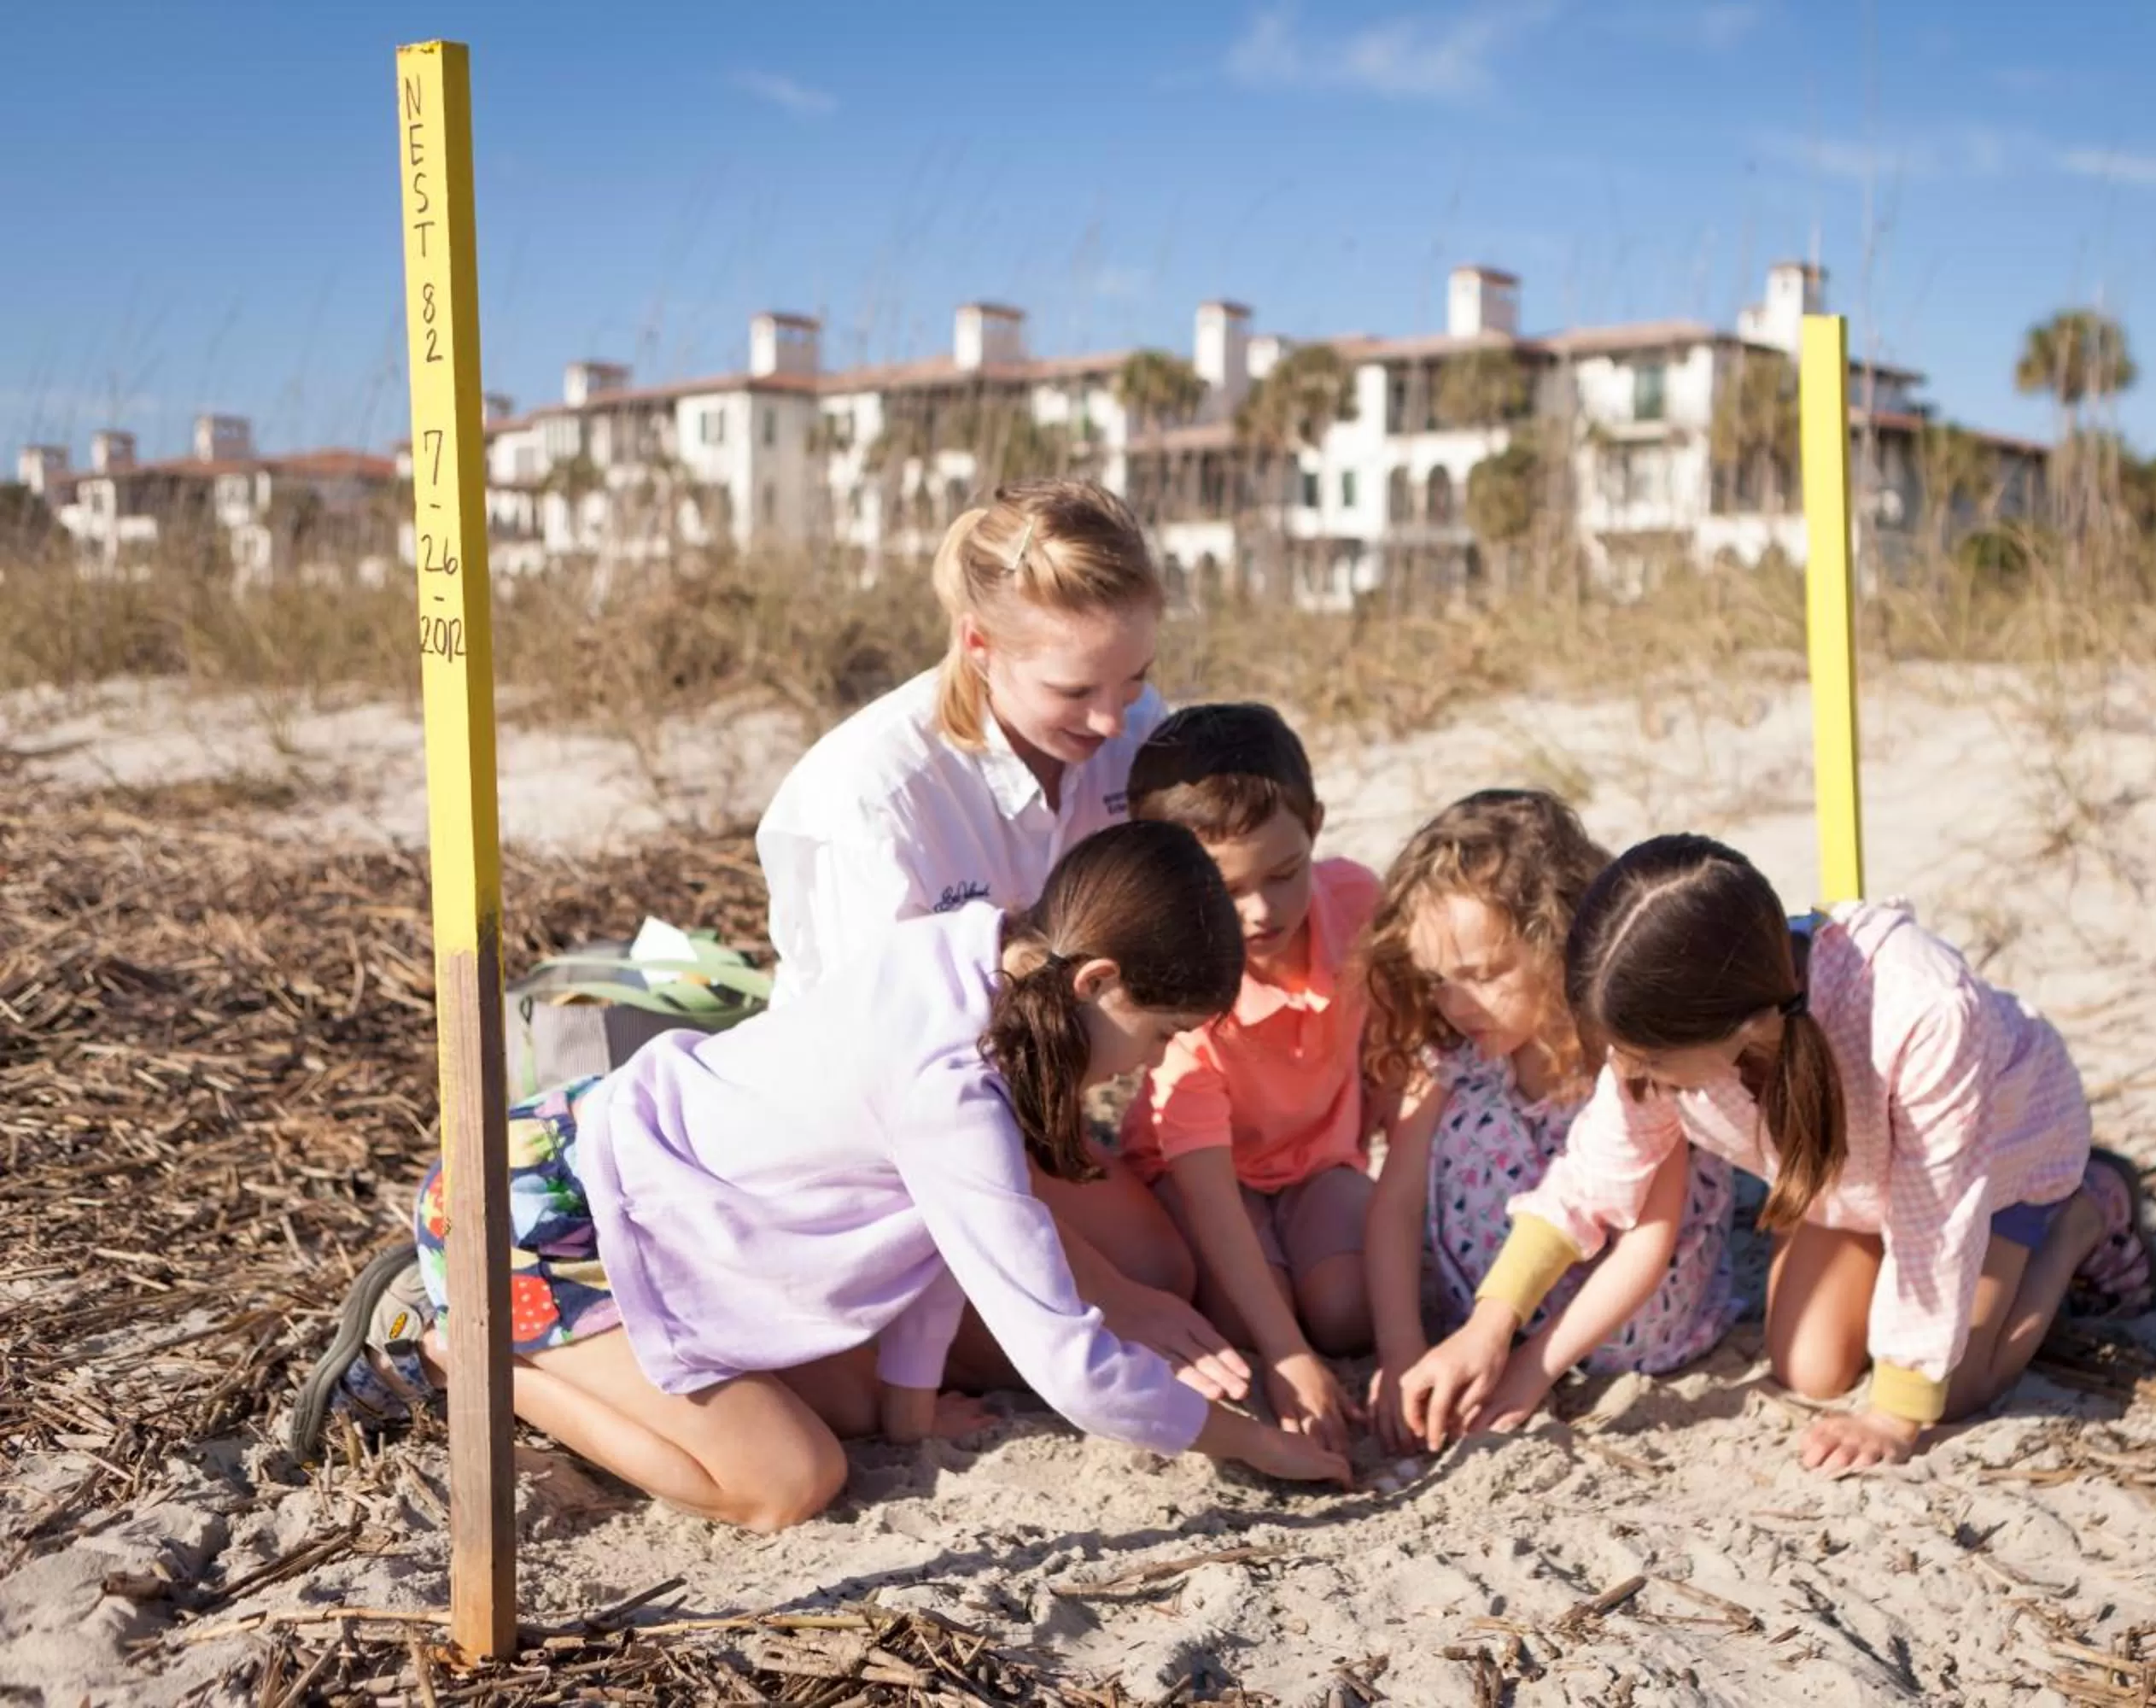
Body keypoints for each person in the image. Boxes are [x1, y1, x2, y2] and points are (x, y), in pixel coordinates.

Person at [292, 822, 1346, 1527]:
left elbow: (930, 1224)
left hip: (616, 1180)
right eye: (1158, 1033)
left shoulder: (971, 952)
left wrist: (908, 1411)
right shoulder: (951, 1079)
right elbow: (1071, 1364)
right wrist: (1254, 1444)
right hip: (541, 1222)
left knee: (848, 1403)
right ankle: (461, 1350)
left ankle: (495, 1320)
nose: (1150, 1064)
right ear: (1099, 980)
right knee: (786, 1480)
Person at [1401, 835, 2156, 1474]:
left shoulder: (1922, 1009)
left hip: (1999, 1169)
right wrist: (1489, 1326)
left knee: (1947, 1391)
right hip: (1855, 1186)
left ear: (1737, 1028)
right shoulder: (1663, 1036)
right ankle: (1883, 1267)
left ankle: (2088, 1210)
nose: (1630, 1076)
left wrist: (1894, 1419)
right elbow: (1593, 1177)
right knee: (1811, 1369)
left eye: (1650, 1061)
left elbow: (1938, 1216)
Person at [753, 478, 1218, 1395]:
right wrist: (1108, 1294)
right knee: (1101, 1321)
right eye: (1074, 690)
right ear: (977, 645)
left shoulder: (1134, 728)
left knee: (1164, 1277)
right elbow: (897, 1085)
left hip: (1026, 1105)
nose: (1112, 720)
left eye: (1134, 678)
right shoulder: (875, 794)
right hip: (878, 1144)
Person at [1357, 793, 1736, 1453]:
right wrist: (1399, 1351)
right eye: (1437, 979)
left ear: (1557, 942)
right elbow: (1396, 1205)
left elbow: (1648, 1244)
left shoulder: (1628, 1054)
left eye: (1482, 974)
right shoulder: (1452, 1054)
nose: (1456, 1004)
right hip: (1481, 1315)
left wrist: (1534, 1369)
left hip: (1627, 1328)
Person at [1114, 705, 1382, 1458]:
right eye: (1226, 890)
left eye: (1284, 873)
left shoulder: (1358, 902)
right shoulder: (1177, 984)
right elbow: (1208, 1192)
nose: (1262, 910)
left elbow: (1400, 1058)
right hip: (1206, 1177)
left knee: (1345, 1311)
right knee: (1252, 1323)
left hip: (1319, 1161)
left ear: (1315, 827)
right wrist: (1289, 1357)